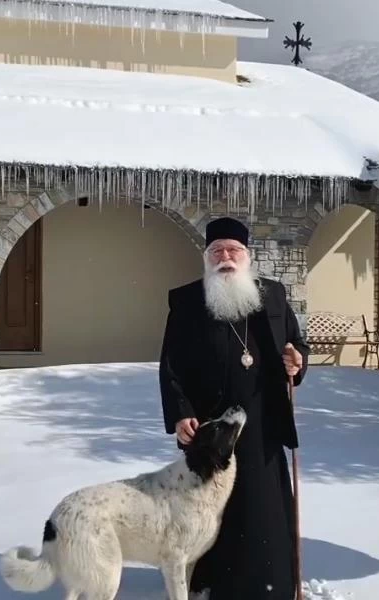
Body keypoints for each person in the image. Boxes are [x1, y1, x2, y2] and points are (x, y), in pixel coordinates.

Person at [158, 216, 310, 599]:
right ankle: (213, 583)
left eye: (233, 251)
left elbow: (295, 344)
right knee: (211, 508)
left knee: (261, 507)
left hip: (261, 422)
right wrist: (180, 412)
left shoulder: (271, 296)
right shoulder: (188, 301)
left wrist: (298, 361)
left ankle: (268, 585)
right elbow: (170, 365)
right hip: (210, 427)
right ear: (207, 257)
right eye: (217, 251)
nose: (225, 258)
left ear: (247, 256)